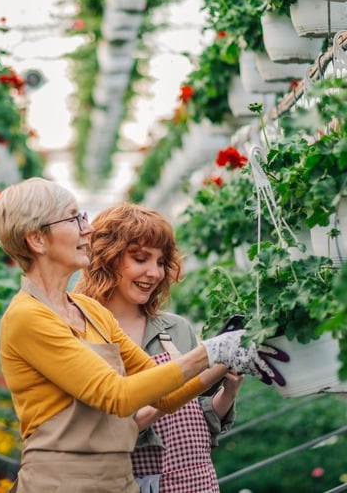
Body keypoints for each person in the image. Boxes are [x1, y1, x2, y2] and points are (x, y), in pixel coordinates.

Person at [0, 177, 287, 493]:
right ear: (37, 240)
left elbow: (167, 397)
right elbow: (117, 396)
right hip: (61, 483)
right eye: (74, 218)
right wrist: (210, 352)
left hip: (116, 482)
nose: (86, 229)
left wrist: (227, 358)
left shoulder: (90, 310)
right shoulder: (27, 316)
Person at [74, 203, 246, 493]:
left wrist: (228, 387)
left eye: (161, 262)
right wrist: (164, 393)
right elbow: (102, 431)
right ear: (107, 258)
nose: (154, 273)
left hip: (192, 481)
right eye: (141, 259)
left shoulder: (176, 328)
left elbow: (201, 418)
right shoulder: (83, 333)